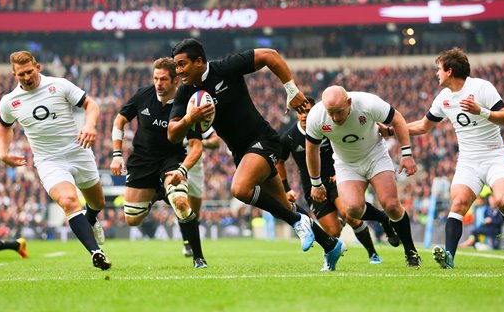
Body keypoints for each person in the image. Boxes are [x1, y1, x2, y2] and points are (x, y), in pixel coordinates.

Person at [167, 38, 346, 271]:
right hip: (241, 152)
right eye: (176, 66)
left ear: (199, 62)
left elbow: (269, 55)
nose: (178, 71)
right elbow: (172, 133)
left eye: (182, 65)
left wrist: (291, 90)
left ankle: (297, 221)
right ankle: (330, 244)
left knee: (240, 189)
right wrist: (190, 118)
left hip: (264, 141)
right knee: (284, 205)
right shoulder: (185, 92)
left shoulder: (225, 68)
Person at [405, 48, 504, 269]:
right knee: (459, 203)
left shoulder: (482, 87)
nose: (436, 74)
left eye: (439, 70)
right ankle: (449, 257)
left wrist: (481, 111)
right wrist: (395, 129)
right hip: (468, 160)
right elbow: (423, 126)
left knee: (503, 201)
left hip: (494, 156)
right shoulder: (443, 98)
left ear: (449, 71)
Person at [0, 51, 110, 270]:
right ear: (14, 74)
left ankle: (92, 218)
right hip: (49, 160)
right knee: (68, 201)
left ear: (37, 67)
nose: (27, 77)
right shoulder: (9, 102)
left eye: (29, 71)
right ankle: (96, 252)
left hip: (78, 151)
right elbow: (4, 126)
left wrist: (89, 125)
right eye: (21, 74)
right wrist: (3, 152)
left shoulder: (59, 85)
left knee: (98, 203)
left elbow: (91, 105)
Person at [305, 85, 422, 268]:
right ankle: (384, 220)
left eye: (339, 112)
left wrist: (406, 154)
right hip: (347, 164)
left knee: (391, 204)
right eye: (331, 113)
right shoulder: (316, 116)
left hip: (375, 155)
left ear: (349, 102)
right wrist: (316, 183)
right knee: (352, 210)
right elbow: (312, 150)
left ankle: (411, 252)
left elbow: (397, 119)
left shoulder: (368, 103)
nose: (335, 118)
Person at [110, 57, 208, 268]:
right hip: (142, 161)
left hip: (171, 160)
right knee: (132, 219)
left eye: (163, 79)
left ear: (175, 81)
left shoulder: (188, 104)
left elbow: (196, 146)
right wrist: (116, 154)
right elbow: (119, 120)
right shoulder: (143, 95)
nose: (158, 84)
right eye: (155, 79)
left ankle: (198, 257)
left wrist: (182, 170)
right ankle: (157, 193)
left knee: (181, 203)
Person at [276, 97, 400, 265]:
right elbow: (279, 162)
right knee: (333, 232)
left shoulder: (327, 127)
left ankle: (373, 252)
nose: (304, 116)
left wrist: (344, 169)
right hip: (313, 186)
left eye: (307, 111)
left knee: (350, 215)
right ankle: (381, 217)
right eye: (300, 112)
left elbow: (354, 134)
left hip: (336, 177)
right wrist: (286, 188)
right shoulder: (289, 137)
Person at [181, 127, 222, 257]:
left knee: (195, 213)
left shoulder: (197, 121)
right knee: (180, 202)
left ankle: (190, 240)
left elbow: (216, 141)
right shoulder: (170, 120)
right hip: (175, 165)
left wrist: (199, 142)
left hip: (195, 170)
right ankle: (187, 243)